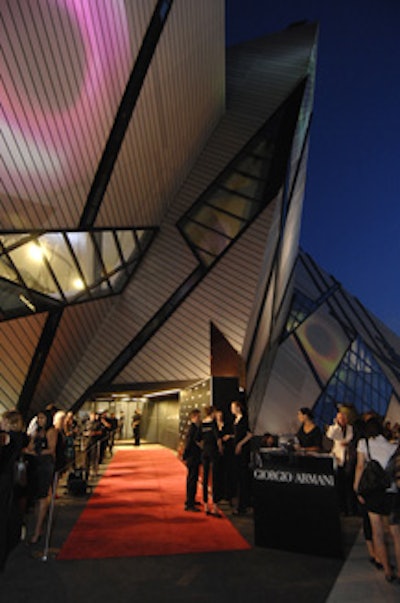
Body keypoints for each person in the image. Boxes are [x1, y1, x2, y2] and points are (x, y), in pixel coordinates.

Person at [354, 416, 400, 584]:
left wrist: (357, 488)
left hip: (374, 493)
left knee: (378, 532)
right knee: (396, 535)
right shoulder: (393, 446)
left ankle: (387, 571)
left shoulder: (363, 444)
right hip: (393, 493)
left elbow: (360, 467)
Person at [24, 410, 57, 545]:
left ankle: (38, 530)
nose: (39, 420)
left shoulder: (51, 431)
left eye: (42, 417)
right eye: (38, 417)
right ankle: (38, 526)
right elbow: (30, 444)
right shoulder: (36, 430)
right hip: (35, 464)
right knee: (37, 496)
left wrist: (35, 452)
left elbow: (51, 449)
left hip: (45, 465)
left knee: (42, 495)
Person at [326, 411, 355, 515]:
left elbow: (350, 438)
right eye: (340, 418)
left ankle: (350, 509)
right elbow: (330, 435)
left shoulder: (350, 428)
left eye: (343, 418)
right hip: (338, 458)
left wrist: (347, 443)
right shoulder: (333, 429)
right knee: (339, 485)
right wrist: (336, 425)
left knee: (348, 485)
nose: (342, 420)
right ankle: (341, 508)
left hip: (348, 458)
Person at [231, 400, 253, 515]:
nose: (231, 409)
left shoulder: (244, 419)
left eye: (233, 407)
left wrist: (240, 444)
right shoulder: (236, 420)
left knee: (243, 477)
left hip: (243, 452)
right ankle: (239, 504)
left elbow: (249, 435)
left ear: (238, 408)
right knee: (239, 477)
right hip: (237, 452)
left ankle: (243, 506)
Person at [201, 406, 222, 516]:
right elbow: (218, 438)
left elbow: (198, 439)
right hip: (213, 452)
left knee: (205, 478)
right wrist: (220, 449)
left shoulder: (202, 423)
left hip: (205, 452)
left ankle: (205, 505)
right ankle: (215, 506)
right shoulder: (213, 423)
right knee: (215, 478)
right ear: (212, 413)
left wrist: (203, 448)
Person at [182, 408, 202, 512]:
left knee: (192, 479)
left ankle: (191, 500)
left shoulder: (194, 427)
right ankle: (189, 504)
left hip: (193, 457)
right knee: (192, 480)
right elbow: (189, 443)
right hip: (192, 457)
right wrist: (184, 456)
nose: (200, 418)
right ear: (193, 417)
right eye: (198, 416)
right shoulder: (193, 428)